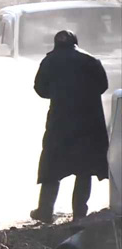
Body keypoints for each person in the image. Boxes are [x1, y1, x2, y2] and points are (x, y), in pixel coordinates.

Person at [30, 30, 110, 223]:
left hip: (60, 122)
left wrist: (59, 93)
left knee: (52, 166)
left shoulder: (49, 61)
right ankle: (79, 214)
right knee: (84, 168)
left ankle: (45, 212)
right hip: (88, 122)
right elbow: (103, 86)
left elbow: (40, 88)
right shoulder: (90, 61)